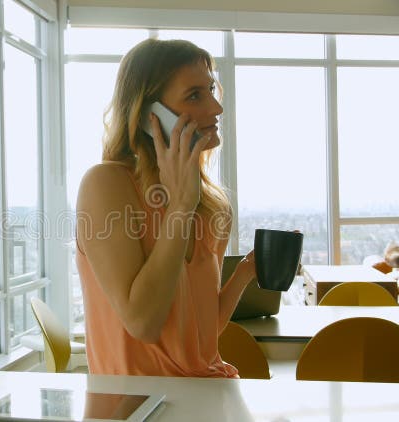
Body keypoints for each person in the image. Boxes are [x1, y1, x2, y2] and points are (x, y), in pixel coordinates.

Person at [75, 38, 257, 378]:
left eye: (211, 91)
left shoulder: (212, 205)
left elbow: (201, 331)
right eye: (194, 95)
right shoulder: (106, 186)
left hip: (209, 394)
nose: (216, 109)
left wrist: (245, 274)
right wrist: (180, 207)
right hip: (136, 405)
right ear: (149, 116)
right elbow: (143, 322)